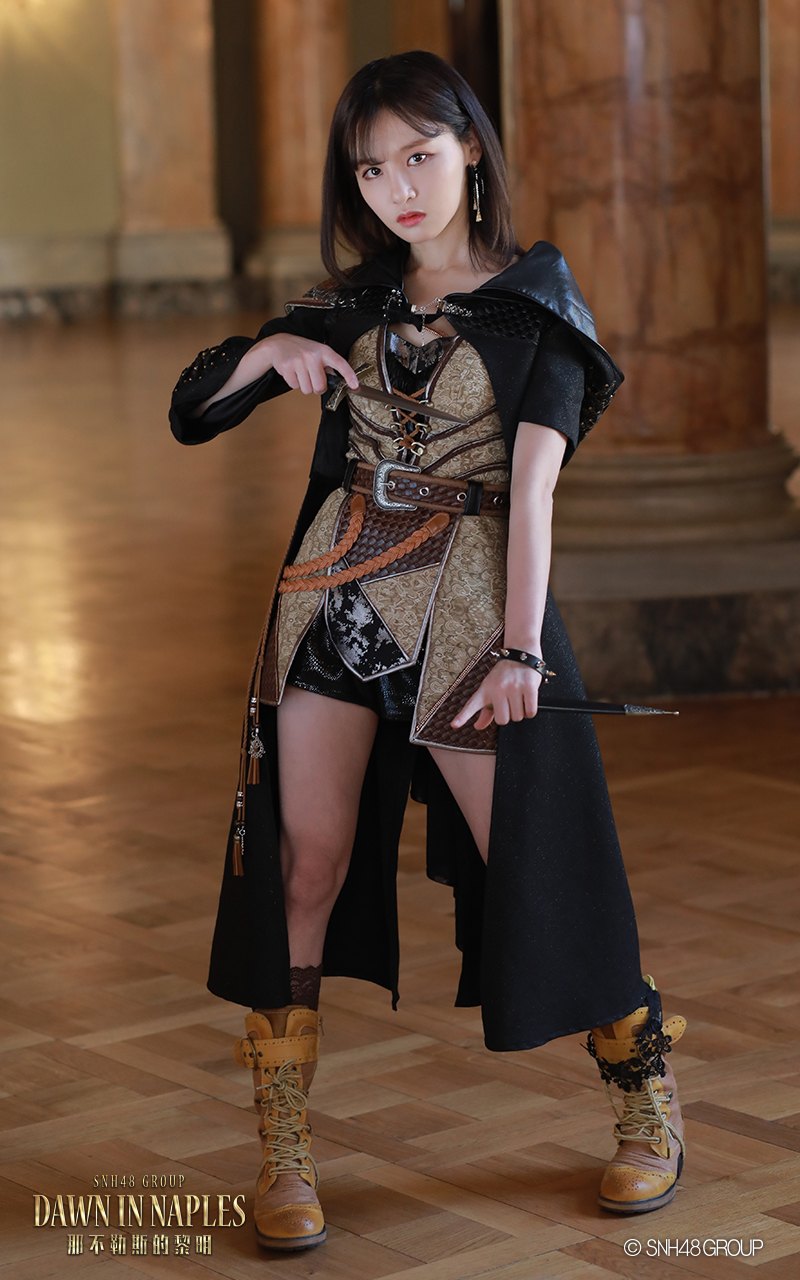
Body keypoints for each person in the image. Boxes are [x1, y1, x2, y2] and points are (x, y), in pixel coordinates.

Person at [169, 51, 687, 1253]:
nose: (396, 187)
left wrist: (522, 652)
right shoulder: (350, 302)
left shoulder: (535, 305)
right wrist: (271, 356)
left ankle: (645, 1098)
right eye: (370, 168)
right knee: (302, 864)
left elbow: (535, 491)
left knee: (535, 861)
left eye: (418, 156)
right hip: (332, 600)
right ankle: (285, 1150)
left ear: (469, 153)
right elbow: (196, 408)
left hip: (470, 614)